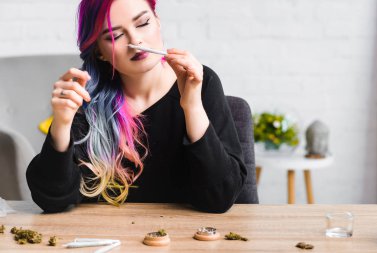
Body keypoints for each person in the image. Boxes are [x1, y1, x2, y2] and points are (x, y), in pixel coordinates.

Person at [26, 0, 248, 213]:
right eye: (116, 36)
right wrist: (62, 126)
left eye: (143, 23)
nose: (135, 41)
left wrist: (192, 106)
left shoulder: (201, 82)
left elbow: (221, 198)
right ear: (99, 52)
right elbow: (52, 200)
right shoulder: (85, 98)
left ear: (158, 20)